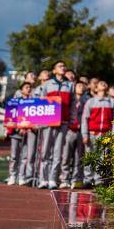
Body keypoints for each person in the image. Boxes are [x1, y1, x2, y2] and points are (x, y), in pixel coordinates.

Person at [38, 60, 75, 189]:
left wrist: (71, 119)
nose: (63, 67)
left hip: (63, 122)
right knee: (45, 151)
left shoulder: (70, 85)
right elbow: (41, 102)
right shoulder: (47, 84)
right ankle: (43, 179)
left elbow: (72, 105)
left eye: (64, 66)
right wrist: (40, 120)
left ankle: (52, 179)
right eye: (60, 66)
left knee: (58, 151)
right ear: (54, 70)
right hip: (48, 122)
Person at [81, 81, 114, 188]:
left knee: (102, 158)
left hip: (106, 134)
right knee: (90, 156)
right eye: (100, 83)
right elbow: (85, 119)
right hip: (92, 133)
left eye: (105, 83)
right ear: (96, 88)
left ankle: (98, 180)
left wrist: (113, 134)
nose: (103, 84)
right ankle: (88, 179)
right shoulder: (91, 102)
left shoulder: (112, 102)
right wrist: (85, 134)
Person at [59, 80, 89, 189]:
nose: (81, 87)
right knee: (66, 156)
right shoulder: (70, 100)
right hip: (70, 130)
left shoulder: (87, 100)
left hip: (81, 131)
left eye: (83, 86)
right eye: (79, 86)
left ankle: (76, 179)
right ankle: (64, 179)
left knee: (79, 157)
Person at [6, 81, 35, 186]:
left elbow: (34, 118)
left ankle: (21, 177)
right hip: (15, 133)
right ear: (21, 90)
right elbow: (10, 117)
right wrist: (19, 127)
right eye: (26, 87)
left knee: (24, 157)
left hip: (28, 133)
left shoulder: (33, 102)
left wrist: (27, 128)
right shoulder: (14, 102)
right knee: (14, 156)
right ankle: (12, 176)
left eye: (30, 88)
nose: (28, 89)